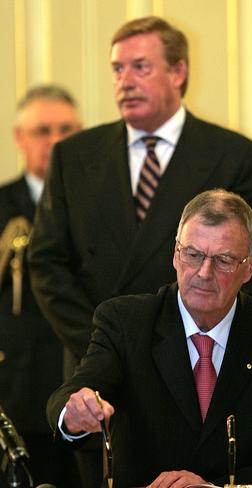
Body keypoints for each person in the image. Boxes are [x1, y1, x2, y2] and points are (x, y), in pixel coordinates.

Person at [28, 17, 252, 487]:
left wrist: (182, 349)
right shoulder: (74, 155)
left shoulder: (235, 155)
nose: (124, 81)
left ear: (178, 71)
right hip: (99, 376)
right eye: (117, 69)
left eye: (140, 66)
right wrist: (109, 344)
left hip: (198, 375)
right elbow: (47, 264)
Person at [47, 189, 252, 488]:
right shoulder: (125, 323)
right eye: (193, 255)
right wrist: (74, 415)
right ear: (175, 254)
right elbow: (77, 391)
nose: (204, 273)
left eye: (223, 260)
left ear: (249, 267)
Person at [0, 85, 81, 487]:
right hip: (17, 386)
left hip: (82, 383)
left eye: (66, 129)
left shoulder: (95, 207)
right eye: (42, 130)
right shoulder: (1, 207)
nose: (55, 141)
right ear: (19, 137)